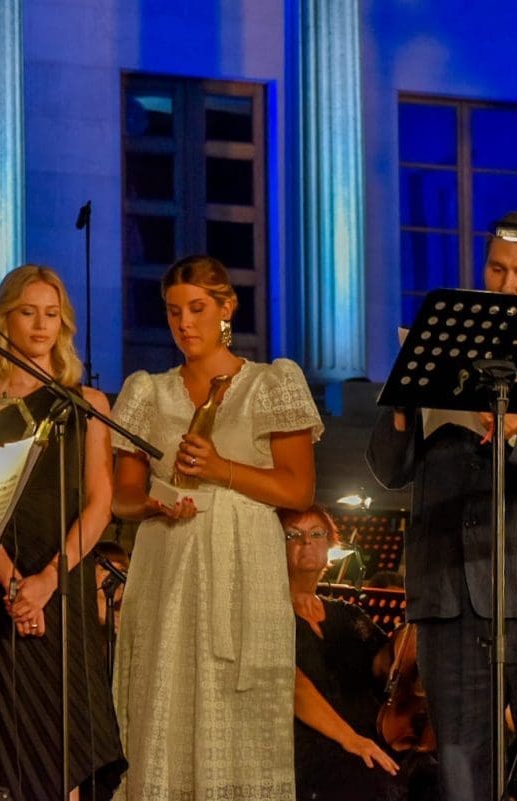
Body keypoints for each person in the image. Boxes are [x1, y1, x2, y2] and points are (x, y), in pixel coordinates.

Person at [366, 211, 517, 801]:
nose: (506, 284)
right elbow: (389, 469)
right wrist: (403, 408)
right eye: (497, 269)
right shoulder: (440, 345)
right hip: (449, 587)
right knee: (460, 764)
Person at [110, 255, 323, 799]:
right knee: (166, 698)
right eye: (173, 311)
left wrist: (221, 468)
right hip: (168, 562)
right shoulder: (147, 391)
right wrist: (153, 504)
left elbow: (298, 489)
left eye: (198, 308)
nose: (185, 323)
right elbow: (121, 496)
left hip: (245, 563)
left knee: (242, 707)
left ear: (227, 307)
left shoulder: (272, 383)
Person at [0, 264, 126, 799]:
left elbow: (100, 503)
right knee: (13, 741)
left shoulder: (89, 404)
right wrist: (13, 584)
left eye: (52, 314)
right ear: (5, 319)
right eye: (28, 312)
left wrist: (48, 580)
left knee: (75, 734)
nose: (41, 324)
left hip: (65, 578)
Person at [282, 504, 439, 801]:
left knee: (445, 778)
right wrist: (351, 740)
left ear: (330, 545)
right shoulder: (273, 617)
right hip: (322, 746)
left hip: (375, 739)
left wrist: (411, 637)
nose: (306, 541)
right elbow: (291, 686)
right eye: (293, 535)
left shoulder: (348, 614)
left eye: (317, 533)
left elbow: (385, 667)